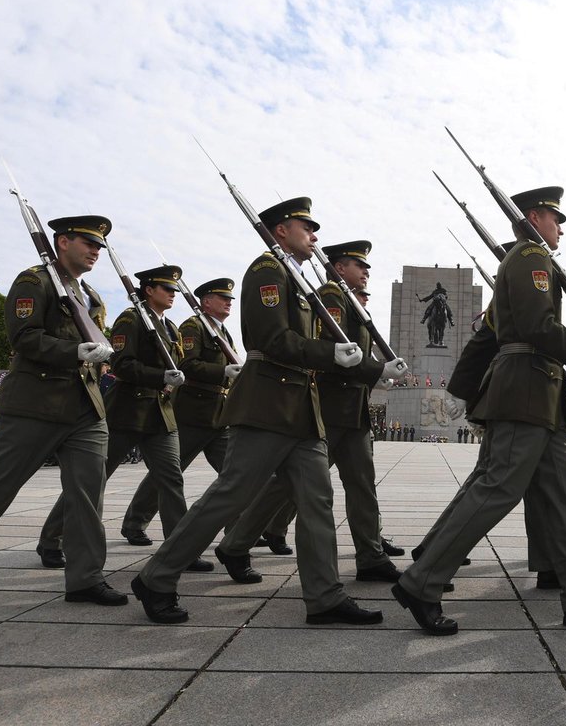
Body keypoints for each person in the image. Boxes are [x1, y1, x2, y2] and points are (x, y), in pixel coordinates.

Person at [392, 186, 566, 635]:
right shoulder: (529, 257)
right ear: (534, 217)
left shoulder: (531, 259)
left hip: (541, 395)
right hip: (525, 389)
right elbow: (535, 326)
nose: (560, 228)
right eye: (555, 218)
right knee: (497, 489)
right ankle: (421, 581)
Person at [131, 197, 380, 626]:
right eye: (306, 226)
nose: (315, 235)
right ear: (281, 230)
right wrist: (333, 354)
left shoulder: (294, 277)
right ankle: (156, 576)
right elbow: (271, 339)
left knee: (318, 501)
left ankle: (324, 597)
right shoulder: (268, 270)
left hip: (301, 408)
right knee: (230, 495)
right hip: (268, 402)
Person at [0, 216, 127, 606]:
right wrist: (74, 351)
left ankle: (85, 577)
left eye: (100, 245)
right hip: (37, 402)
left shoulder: (91, 297)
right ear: (63, 242)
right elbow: (24, 336)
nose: (96, 250)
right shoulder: (34, 281)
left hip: (86, 406)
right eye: (88, 242)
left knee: (87, 494)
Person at [215, 240, 407, 581]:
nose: (365, 272)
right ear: (340, 267)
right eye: (358, 265)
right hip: (332, 408)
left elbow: (352, 355)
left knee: (362, 485)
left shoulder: (350, 301)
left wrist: (377, 373)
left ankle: (370, 556)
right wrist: (376, 371)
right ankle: (237, 542)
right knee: (288, 483)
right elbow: (333, 355)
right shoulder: (332, 297)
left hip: (354, 410)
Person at [36, 265, 208, 571]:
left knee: (171, 481)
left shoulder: (170, 328)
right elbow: (122, 364)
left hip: (161, 414)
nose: (172, 294)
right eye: (167, 289)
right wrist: (160, 376)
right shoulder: (132, 319)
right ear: (149, 290)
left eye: (174, 290)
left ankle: (180, 549)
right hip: (127, 411)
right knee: (93, 481)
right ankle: (52, 539)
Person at [120, 278, 241, 545]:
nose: (229, 302)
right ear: (206, 302)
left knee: (234, 474)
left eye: (230, 299)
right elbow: (188, 364)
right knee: (167, 475)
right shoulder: (193, 326)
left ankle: (239, 530)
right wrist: (222, 371)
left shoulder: (223, 331)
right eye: (223, 298)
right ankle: (135, 521)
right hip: (192, 413)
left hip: (219, 414)